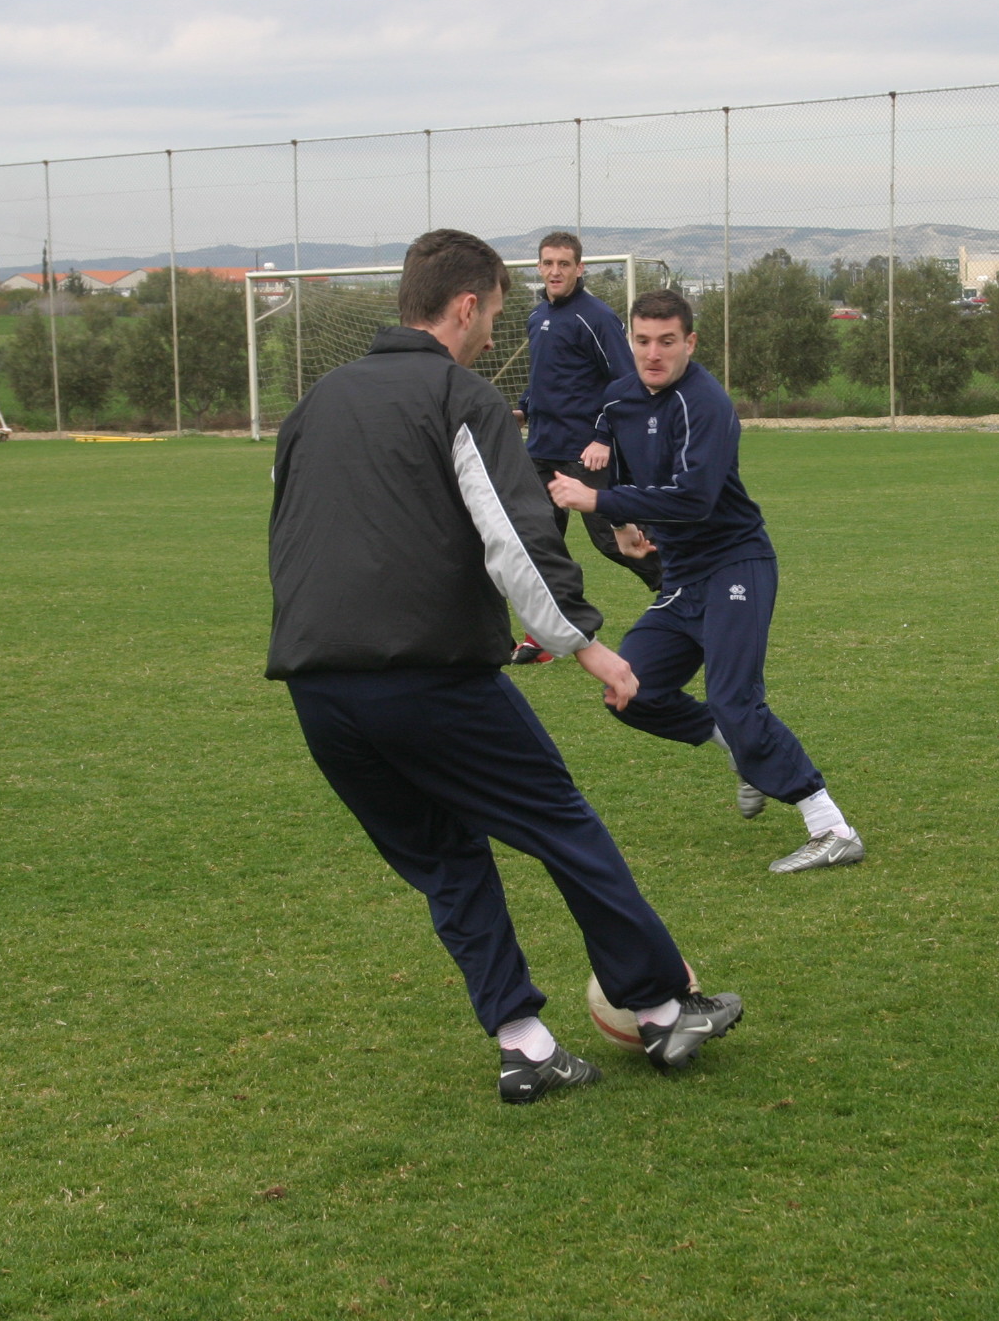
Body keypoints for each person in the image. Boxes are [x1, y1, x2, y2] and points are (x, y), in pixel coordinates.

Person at [267, 230, 742, 1103]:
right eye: (492, 312)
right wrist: (587, 643)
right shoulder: (460, 395)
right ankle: (665, 1009)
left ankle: (525, 1044)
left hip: (317, 690)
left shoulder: (318, 401)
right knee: (562, 824)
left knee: (448, 861)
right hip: (428, 679)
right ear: (461, 307)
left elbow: (290, 535)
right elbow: (515, 540)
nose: (496, 331)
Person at [549, 289, 863, 876]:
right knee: (630, 691)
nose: (653, 353)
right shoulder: (619, 397)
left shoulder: (706, 403)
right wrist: (618, 522)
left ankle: (831, 826)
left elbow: (694, 499)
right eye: (642, 341)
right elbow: (608, 452)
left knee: (734, 699)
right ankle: (742, 753)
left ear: (689, 343)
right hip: (684, 575)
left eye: (667, 341)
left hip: (735, 564)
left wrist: (596, 501)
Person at [508, 231, 660, 666]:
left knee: (614, 541)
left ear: (580, 268)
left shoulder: (596, 317)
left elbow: (625, 384)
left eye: (564, 263)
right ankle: (544, 635)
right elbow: (545, 379)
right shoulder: (537, 317)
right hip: (541, 451)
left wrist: (603, 437)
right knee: (539, 544)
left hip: (585, 453)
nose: (555, 271)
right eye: (548, 263)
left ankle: (686, 592)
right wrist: (522, 411)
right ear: (539, 267)